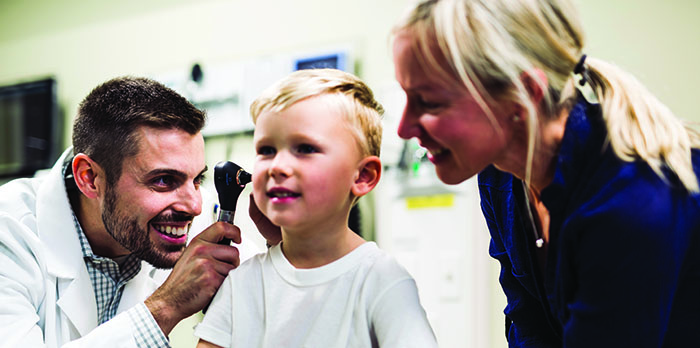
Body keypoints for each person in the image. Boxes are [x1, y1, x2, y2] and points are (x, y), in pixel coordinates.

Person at [389, 0, 700, 347]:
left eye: (429, 102)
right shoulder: (500, 176)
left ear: (524, 96)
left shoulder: (632, 201)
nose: (403, 128)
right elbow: (528, 321)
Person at [0, 76, 252, 347]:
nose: (194, 206)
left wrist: (280, 237)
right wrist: (167, 305)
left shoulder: (187, 221)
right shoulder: (11, 232)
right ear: (89, 178)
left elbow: (275, 284)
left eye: (196, 180)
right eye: (164, 180)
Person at [194, 68, 437, 348]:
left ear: (362, 176)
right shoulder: (242, 283)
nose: (278, 166)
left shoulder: (382, 282)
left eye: (305, 148)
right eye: (266, 150)